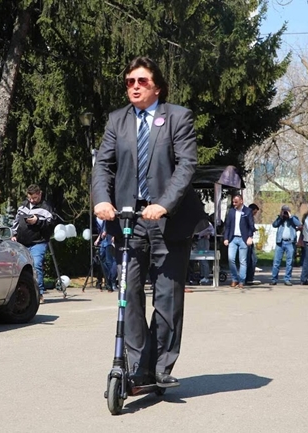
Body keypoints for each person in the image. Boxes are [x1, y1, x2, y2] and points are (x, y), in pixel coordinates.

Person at [92, 56, 204, 388]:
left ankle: (161, 367)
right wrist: (102, 200)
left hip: (169, 220)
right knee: (128, 292)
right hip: (128, 219)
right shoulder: (117, 121)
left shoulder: (178, 117)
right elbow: (103, 165)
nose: (135, 87)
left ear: (157, 87)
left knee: (168, 296)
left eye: (142, 81)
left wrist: (164, 204)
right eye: (130, 82)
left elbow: (186, 165)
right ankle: (139, 365)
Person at [11, 184, 55, 304]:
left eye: (35, 198)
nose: (32, 200)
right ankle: (20, 293)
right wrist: (14, 234)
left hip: (38, 242)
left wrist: (37, 221)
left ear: (40, 194)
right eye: (30, 198)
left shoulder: (46, 208)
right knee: (19, 268)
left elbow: (50, 226)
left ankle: (38, 293)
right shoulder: (23, 206)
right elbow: (16, 221)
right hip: (21, 242)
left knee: (36, 265)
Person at [223, 193, 256, 289]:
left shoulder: (248, 211)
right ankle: (234, 279)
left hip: (243, 239)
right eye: (233, 202)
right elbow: (227, 226)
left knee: (243, 261)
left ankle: (241, 281)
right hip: (232, 238)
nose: (234, 204)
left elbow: (251, 226)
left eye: (236, 202)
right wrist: (226, 238)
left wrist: (250, 237)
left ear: (241, 201)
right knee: (231, 259)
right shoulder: (231, 211)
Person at [271, 205, 301, 286]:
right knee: (276, 262)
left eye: (286, 211)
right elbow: (274, 225)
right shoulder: (280, 219)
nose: (285, 213)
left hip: (290, 242)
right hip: (280, 242)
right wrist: (280, 217)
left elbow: (299, 224)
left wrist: (290, 217)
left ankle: (287, 279)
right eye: (284, 211)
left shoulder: (293, 218)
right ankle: (274, 279)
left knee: (289, 262)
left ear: (289, 211)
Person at [94, 217, 118, 292]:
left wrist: (114, 236)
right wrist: (98, 239)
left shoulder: (113, 218)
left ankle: (112, 282)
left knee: (111, 262)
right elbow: (102, 231)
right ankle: (108, 282)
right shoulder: (105, 219)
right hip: (103, 243)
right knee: (103, 263)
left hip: (110, 243)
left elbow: (117, 228)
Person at [194, 218, 214, 284]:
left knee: (204, 258)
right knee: (200, 258)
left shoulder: (207, 223)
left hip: (205, 241)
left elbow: (212, 232)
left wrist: (208, 233)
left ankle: (206, 276)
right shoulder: (198, 222)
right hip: (199, 241)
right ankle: (202, 275)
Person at [246, 203, 260, 284]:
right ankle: (247, 277)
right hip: (247, 240)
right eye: (255, 212)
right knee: (249, 259)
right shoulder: (246, 217)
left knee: (253, 259)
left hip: (250, 239)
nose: (255, 214)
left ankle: (250, 277)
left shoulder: (250, 218)